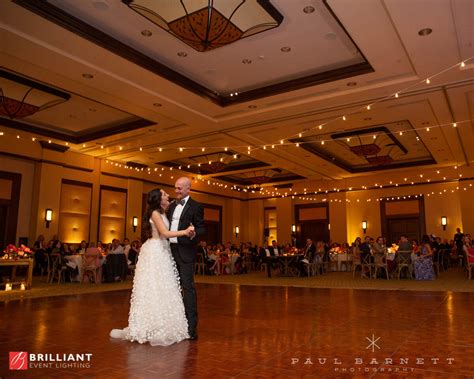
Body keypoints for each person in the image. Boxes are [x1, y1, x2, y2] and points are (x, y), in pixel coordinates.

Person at [110, 188, 195, 346]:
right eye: (164, 194)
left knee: (164, 287)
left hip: (163, 251)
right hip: (155, 251)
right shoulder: (155, 214)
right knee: (154, 287)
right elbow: (164, 232)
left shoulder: (162, 212)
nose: (168, 195)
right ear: (158, 199)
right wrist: (184, 232)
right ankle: (150, 325)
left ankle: (163, 325)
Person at [167, 177, 205, 341]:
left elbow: (202, 228)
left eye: (180, 188)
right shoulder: (171, 205)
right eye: (175, 188)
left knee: (187, 288)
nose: (176, 191)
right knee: (171, 289)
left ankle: (191, 328)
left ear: (188, 189)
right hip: (168, 252)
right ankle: (174, 324)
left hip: (185, 251)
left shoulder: (196, 206)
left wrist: (194, 232)